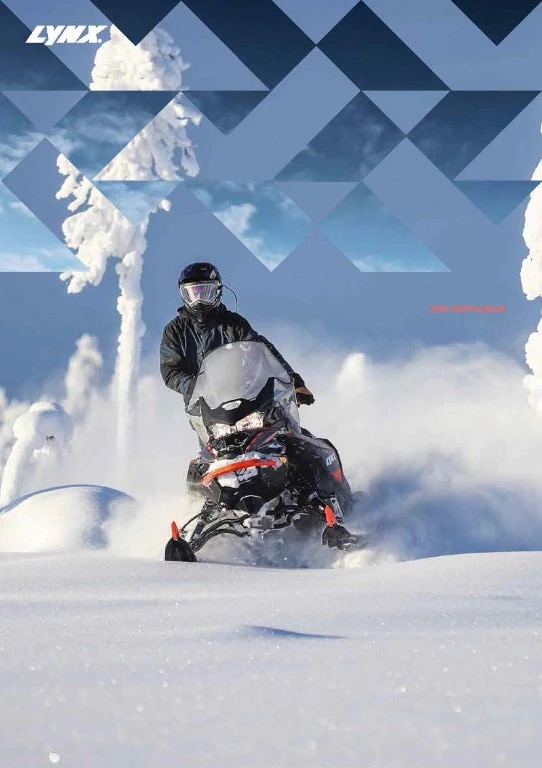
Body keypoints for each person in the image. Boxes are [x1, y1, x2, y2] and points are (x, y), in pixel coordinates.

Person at [159, 262, 315, 408]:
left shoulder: (234, 323)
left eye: (205, 293)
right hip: (203, 407)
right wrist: (196, 386)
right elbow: (170, 370)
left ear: (217, 291)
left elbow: (263, 352)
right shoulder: (175, 330)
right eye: (192, 294)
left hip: (246, 400)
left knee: (278, 419)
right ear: (183, 295)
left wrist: (293, 382)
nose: (199, 301)